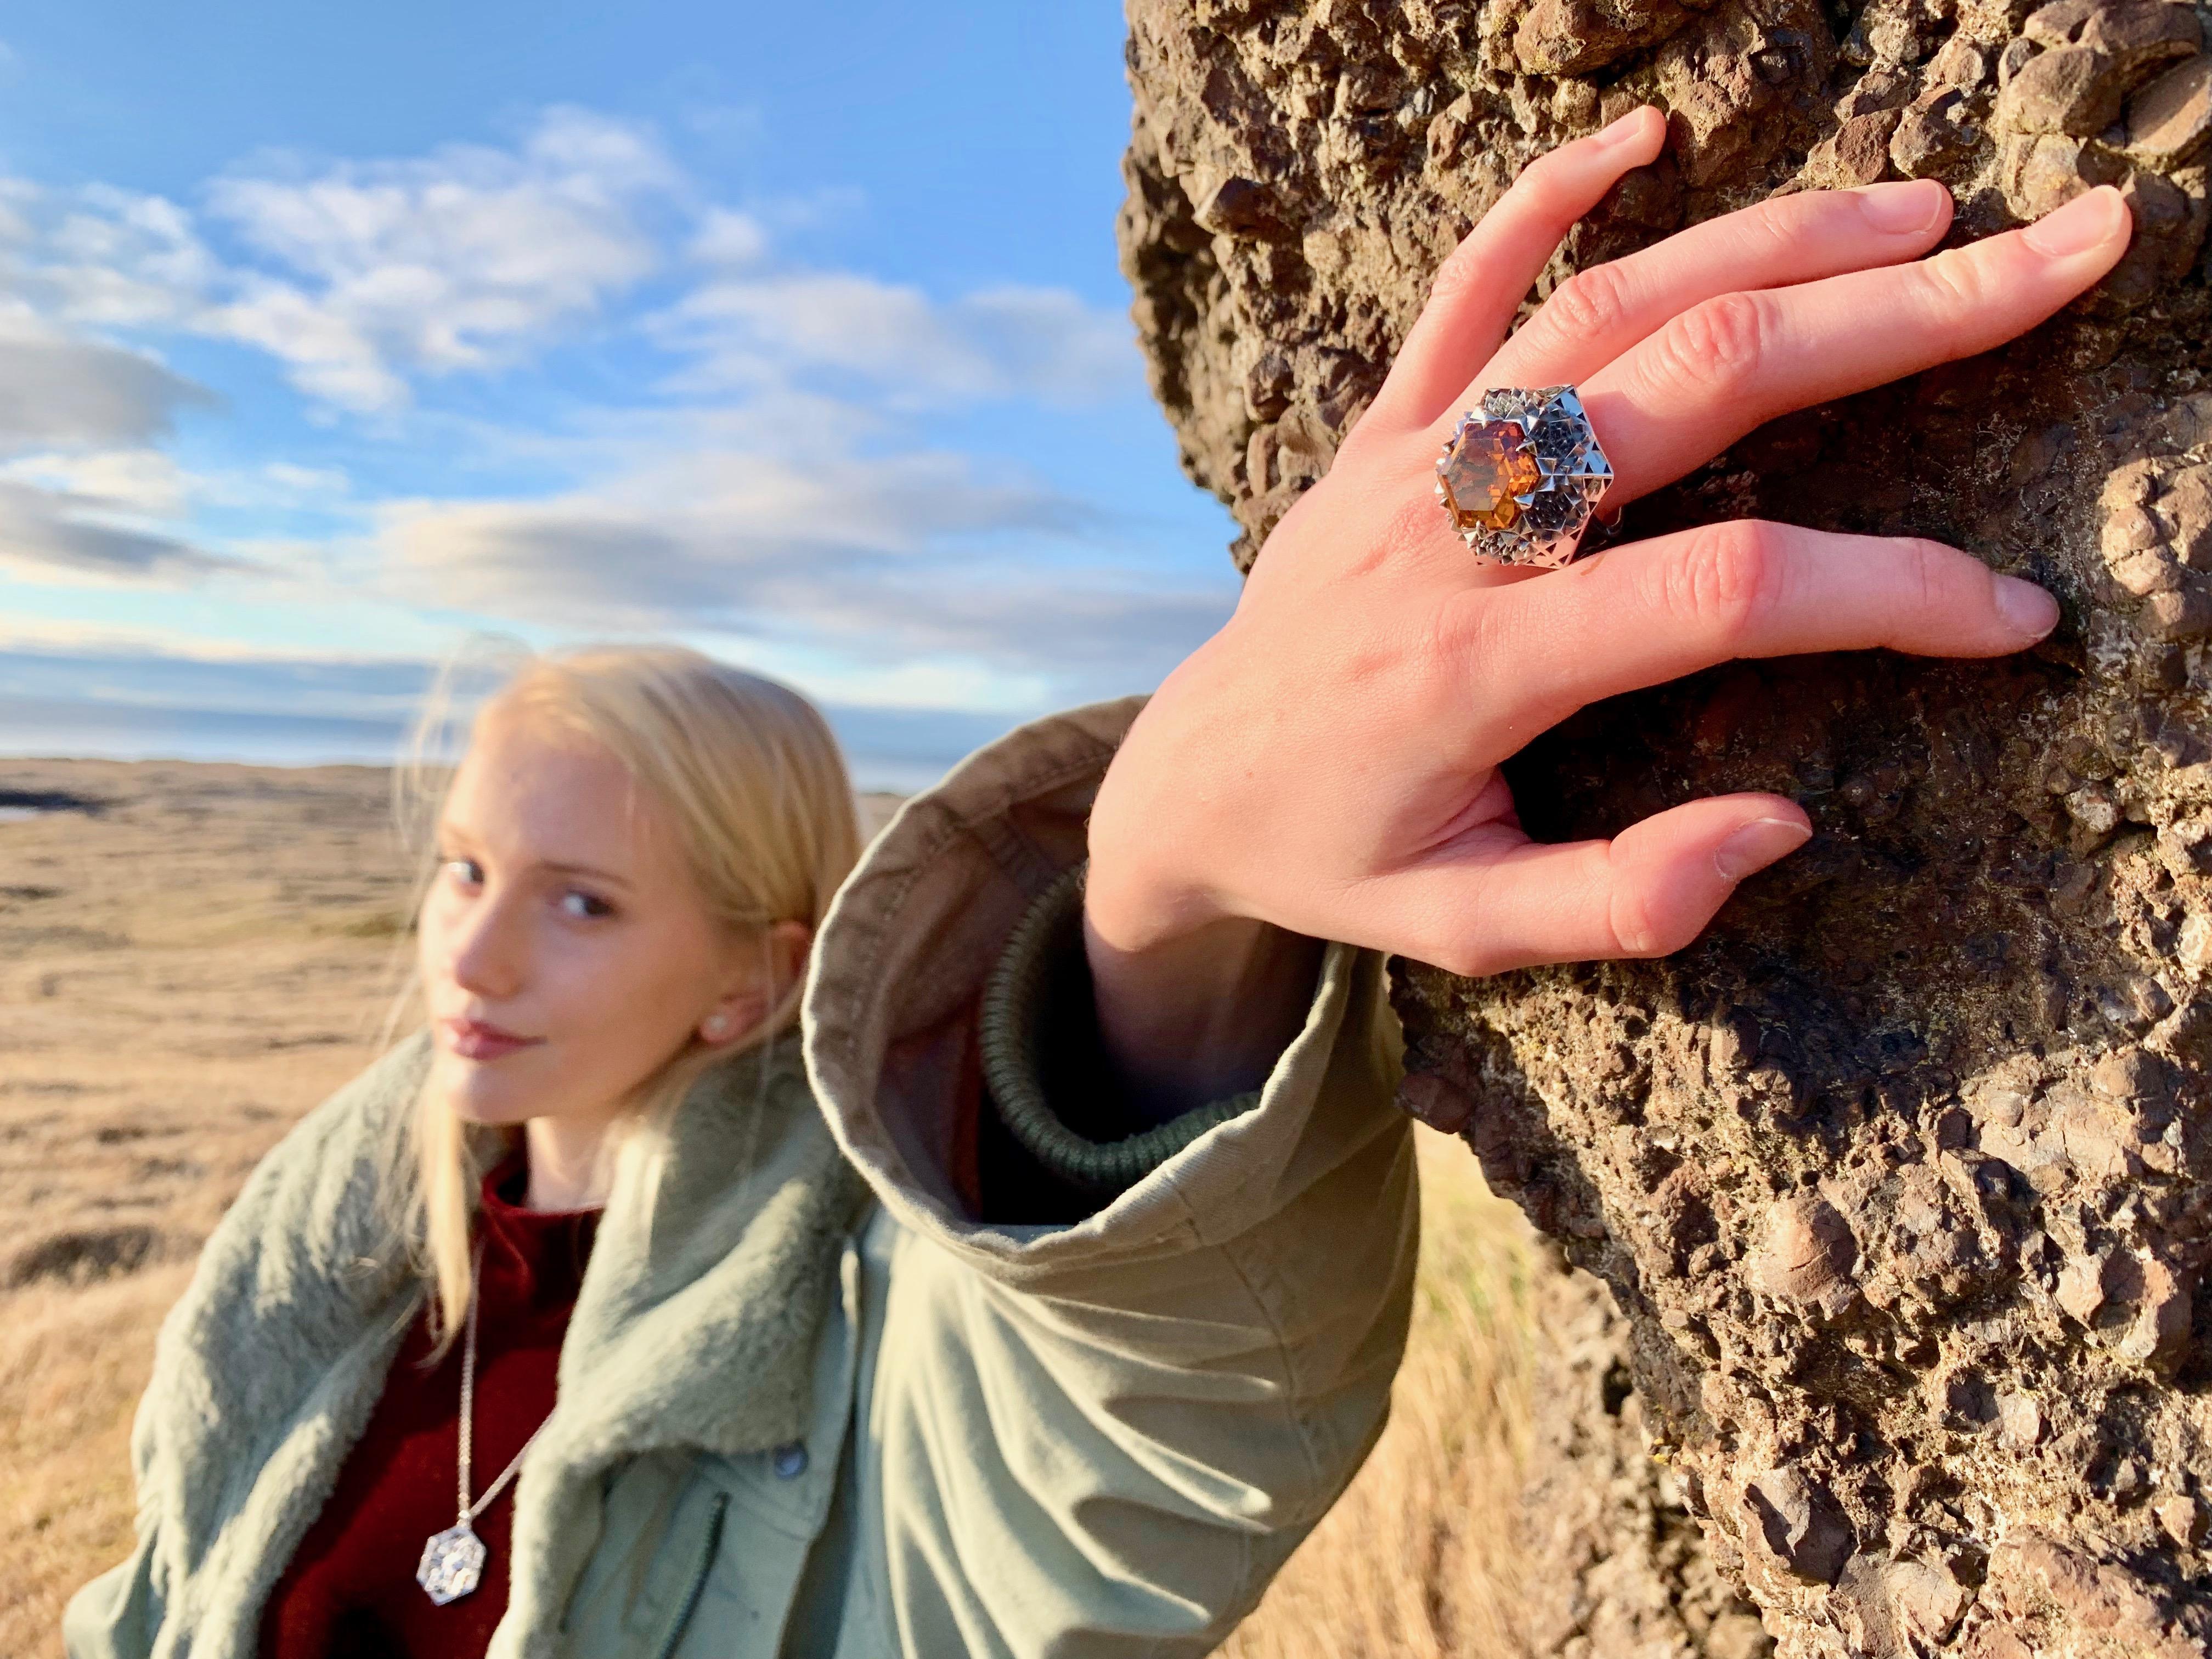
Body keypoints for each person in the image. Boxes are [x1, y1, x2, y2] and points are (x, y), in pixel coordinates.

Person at [65, 108, 2129, 1658]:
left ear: (747, 977)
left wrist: (1159, 873)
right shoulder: (328, 1238)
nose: (475, 952)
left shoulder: (843, 1311)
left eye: (585, 899)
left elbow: (1123, 1451)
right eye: (461, 871)